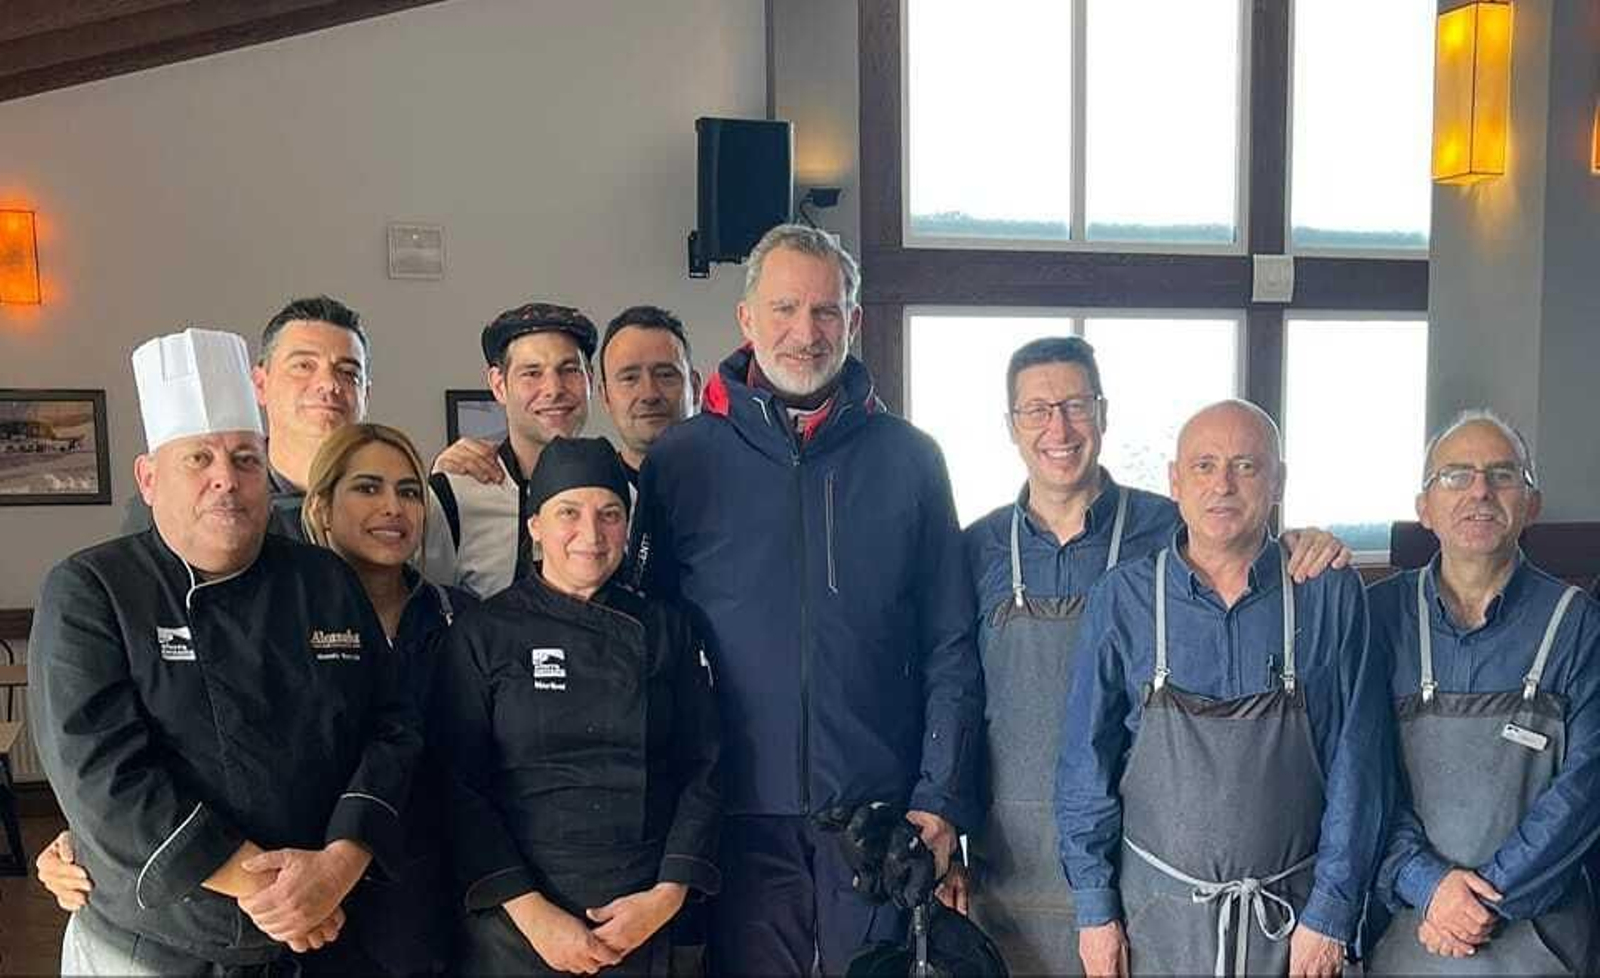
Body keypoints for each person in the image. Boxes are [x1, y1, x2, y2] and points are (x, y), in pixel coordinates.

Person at [631, 223, 983, 975]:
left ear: (853, 322)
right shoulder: (681, 462)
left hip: (881, 815)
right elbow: (642, 645)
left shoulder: (911, 460)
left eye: (826, 312)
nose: (805, 332)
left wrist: (941, 795)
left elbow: (950, 644)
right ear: (747, 319)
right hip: (730, 814)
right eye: (785, 309)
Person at [30, 328, 419, 975]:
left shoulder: (323, 580)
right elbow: (104, 779)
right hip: (156, 949)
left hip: (324, 934)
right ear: (149, 478)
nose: (226, 480)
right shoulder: (91, 589)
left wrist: (339, 864)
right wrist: (283, 892)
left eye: (244, 459)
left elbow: (394, 727)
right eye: (198, 460)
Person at [962, 340, 1348, 975]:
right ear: (1011, 426)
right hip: (1010, 863)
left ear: (1103, 414)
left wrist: (1308, 542)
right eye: (1036, 409)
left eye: (1076, 405)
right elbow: (949, 689)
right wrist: (948, 828)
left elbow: (1243, 543)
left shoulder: (1169, 523)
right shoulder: (973, 548)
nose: (1058, 427)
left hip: (1141, 878)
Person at [1055, 399, 1392, 977]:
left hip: (1292, 928)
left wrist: (1331, 914)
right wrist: (1094, 911)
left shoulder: (1329, 595)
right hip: (1152, 924)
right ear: (1175, 481)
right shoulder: (1123, 599)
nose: (1224, 485)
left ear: (1278, 481)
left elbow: (1359, 765)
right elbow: (1086, 765)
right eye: (1205, 466)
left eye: (1247, 466)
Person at [437, 437, 720, 975]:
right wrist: (532, 913)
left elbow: (703, 765)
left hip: (645, 914)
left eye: (609, 514)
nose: (590, 534)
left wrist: (666, 895)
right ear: (535, 526)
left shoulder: (666, 627)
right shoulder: (485, 631)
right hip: (519, 923)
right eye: (569, 512)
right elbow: (456, 784)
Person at [1366, 410, 1600, 975]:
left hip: (1543, 943)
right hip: (1409, 931)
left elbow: (1585, 787)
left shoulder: (1579, 624)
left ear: (1531, 504)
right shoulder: (1377, 618)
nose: (1480, 492)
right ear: (1424, 508)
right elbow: (1359, 778)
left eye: (1502, 475)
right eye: (1456, 475)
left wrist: (1481, 900)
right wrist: (1427, 885)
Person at [119, 295, 371, 540]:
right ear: (260, 385)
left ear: (365, 395)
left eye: (348, 372)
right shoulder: (189, 501)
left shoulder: (391, 497)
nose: (328, 383)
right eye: (303, 366)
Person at [424, 301, 594, 599]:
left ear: (590, 379)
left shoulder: (623, 497)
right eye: (532, 373)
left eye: (569, 370)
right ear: (499, 385)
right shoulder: (453, 497)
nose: (554, 388)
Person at [597, 304, 702, 483]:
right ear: (605, 396)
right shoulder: (586, 499)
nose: (649, 394)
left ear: (695, 388)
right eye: (630, 378)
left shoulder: (741, 484)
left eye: (665, 375)